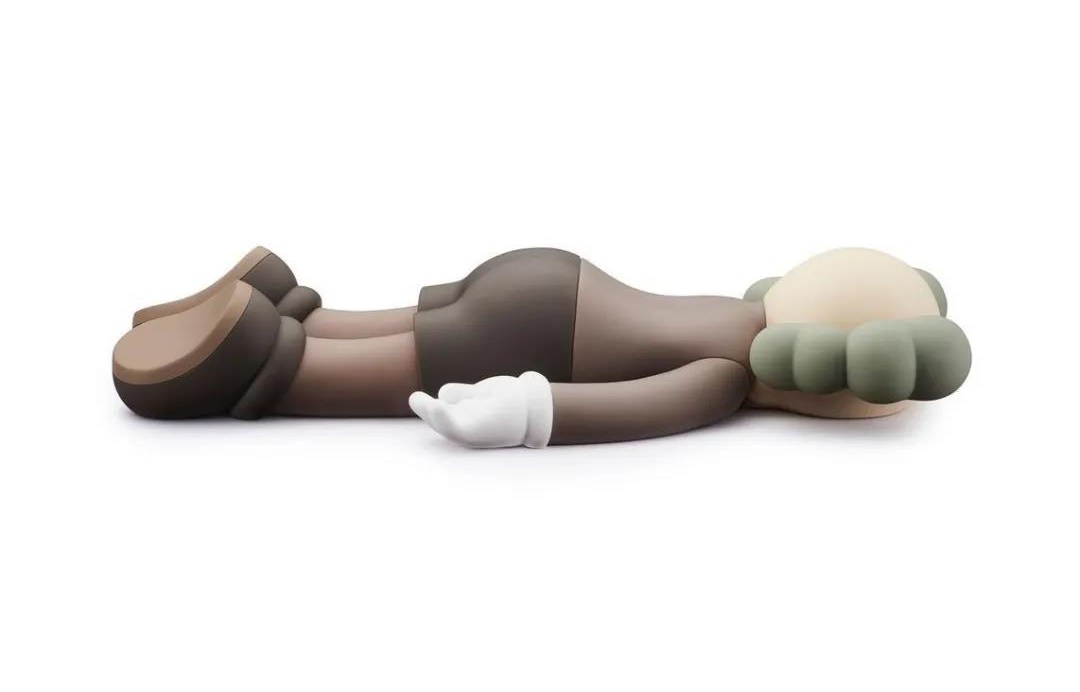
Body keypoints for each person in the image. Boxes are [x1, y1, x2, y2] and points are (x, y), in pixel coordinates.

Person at [112, 246, 970, 447]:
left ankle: (289, 306)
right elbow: (636, 405)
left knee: (390, 326)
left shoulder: (729, 310)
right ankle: (259, 357)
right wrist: (525, 410)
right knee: (368, 368)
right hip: (538, 331)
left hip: (546, 277)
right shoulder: (727, 376)